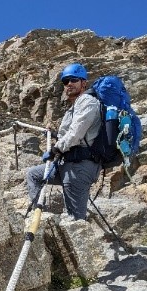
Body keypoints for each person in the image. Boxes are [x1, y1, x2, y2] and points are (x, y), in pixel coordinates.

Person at [26, 63, 102, 220]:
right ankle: (42, 215)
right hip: (67, 164)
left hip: (79, 167)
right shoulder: (76, 105)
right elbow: (73, 133)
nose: (69, 84)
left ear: (84, 83)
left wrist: (56, 149)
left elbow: (76, 134)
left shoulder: (87, 101)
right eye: (65, 81)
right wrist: (55, 135)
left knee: (75, 219)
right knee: (33, 174)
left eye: (74, 80)